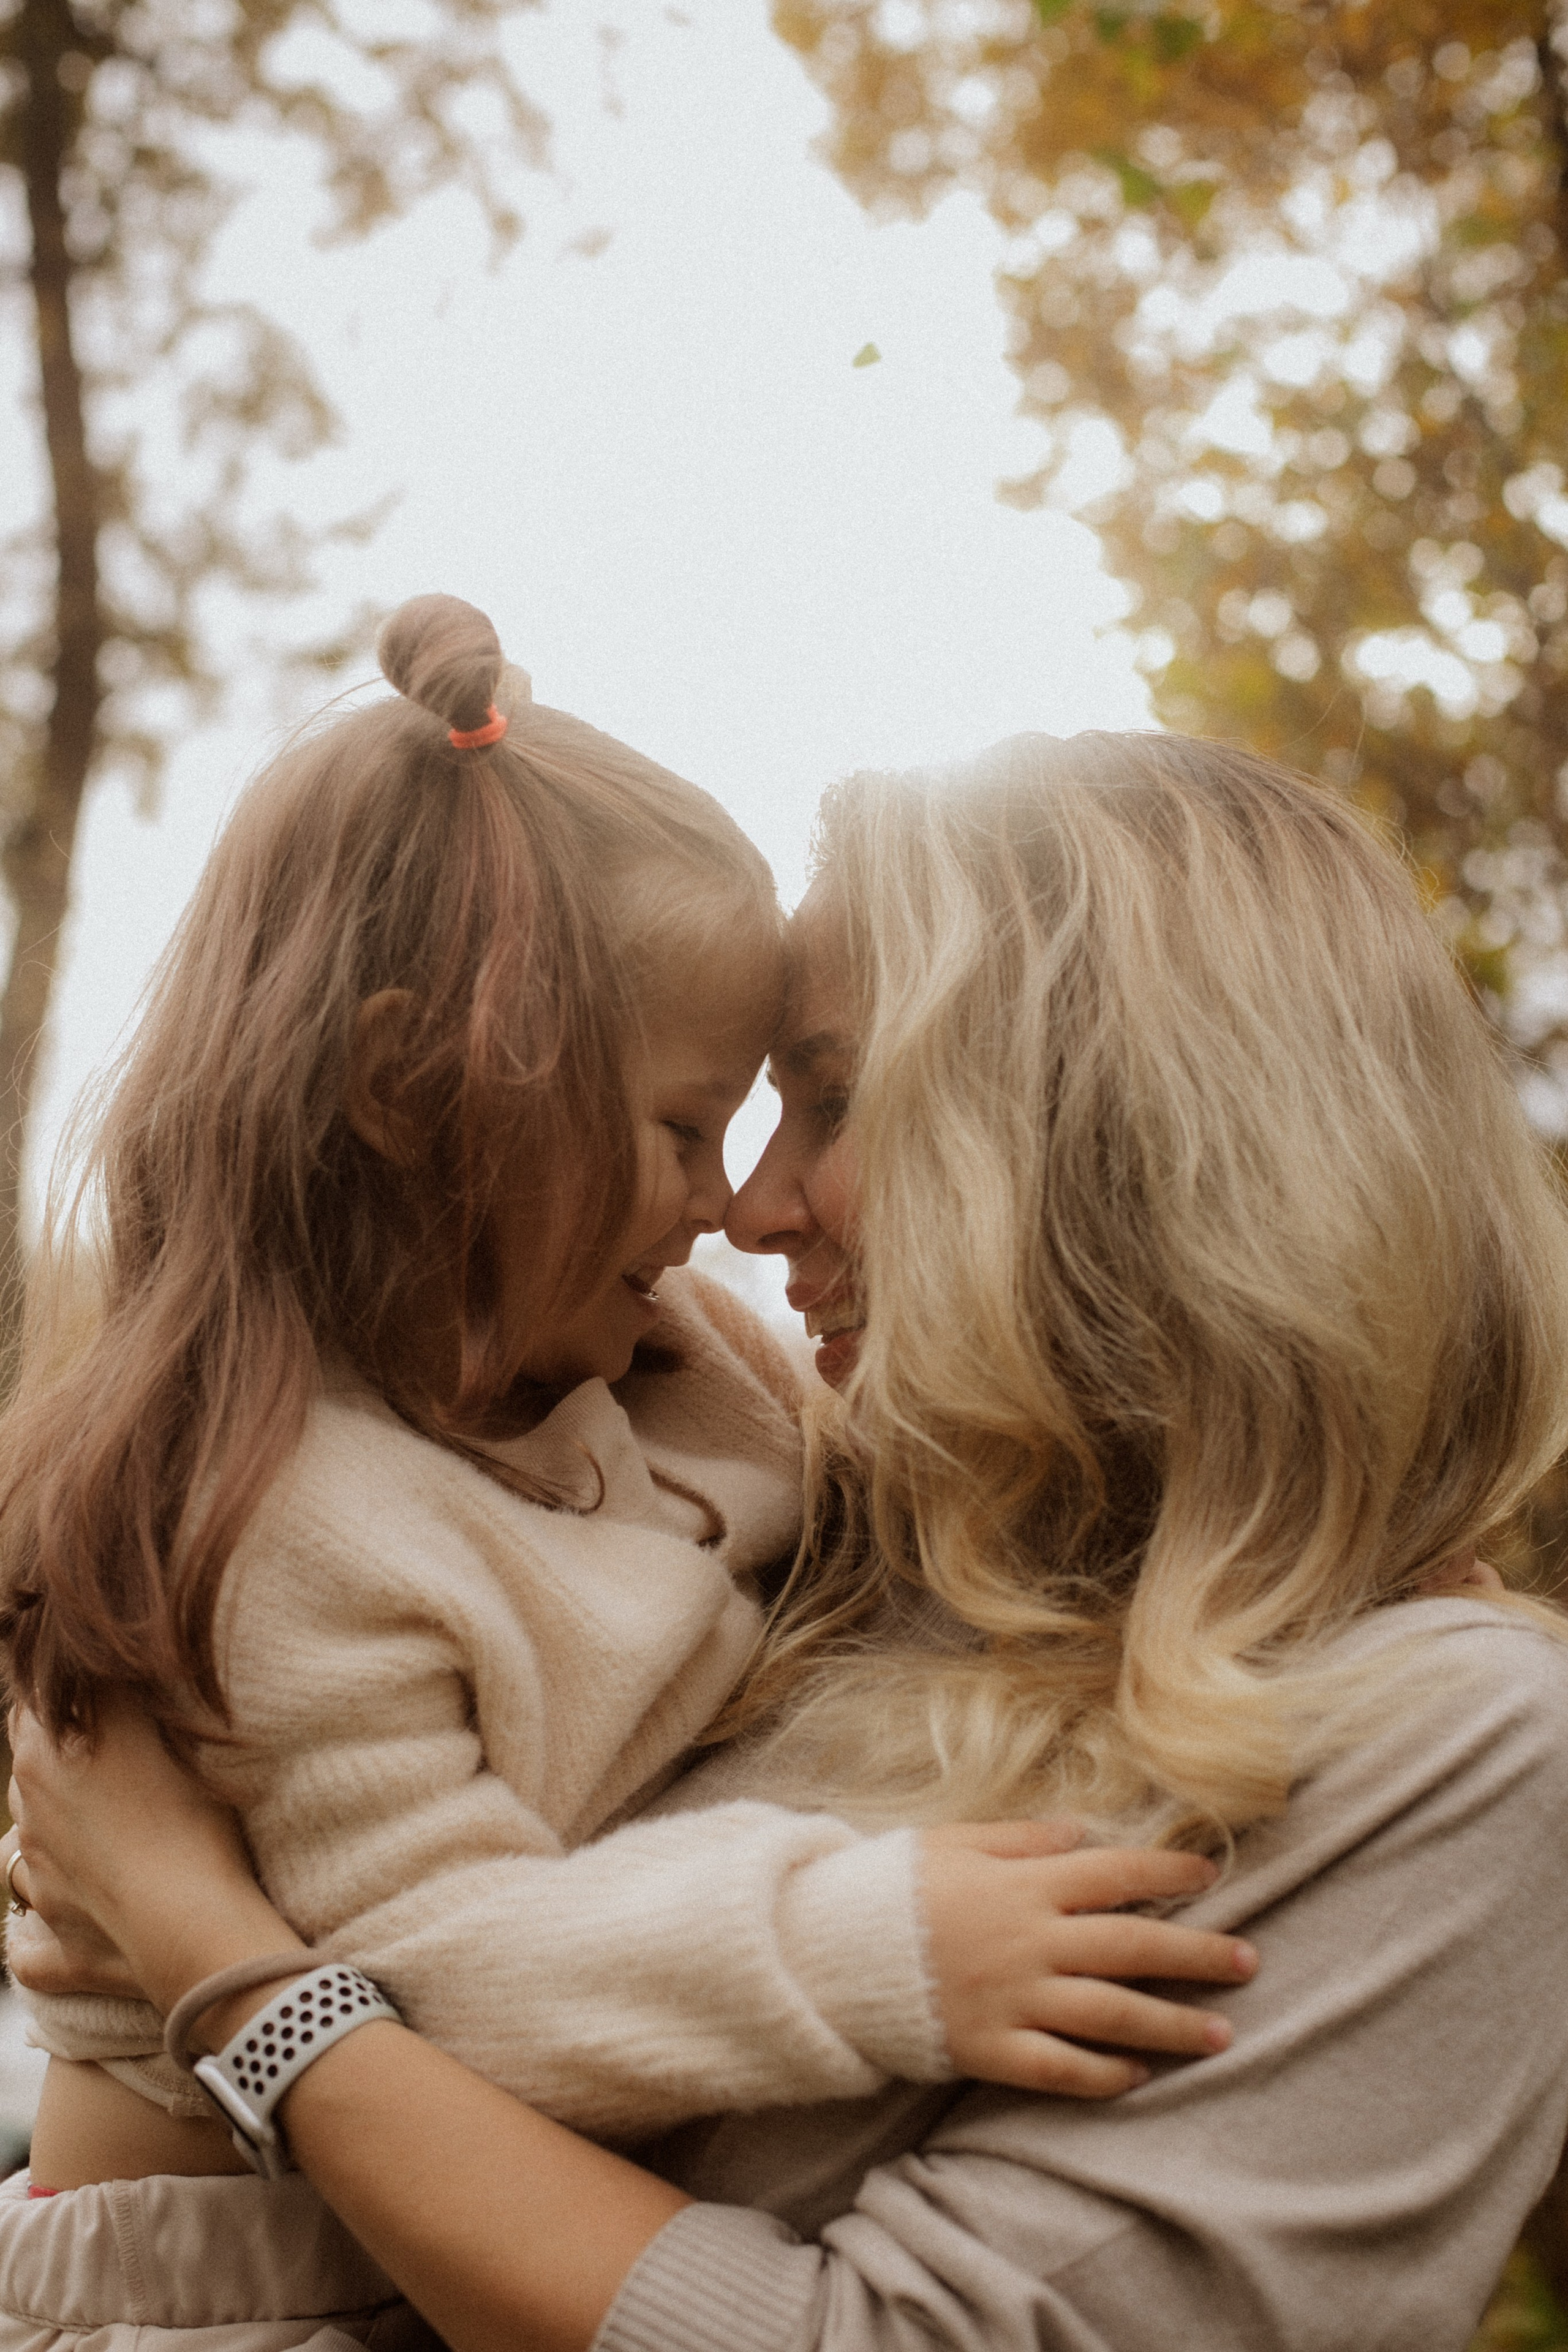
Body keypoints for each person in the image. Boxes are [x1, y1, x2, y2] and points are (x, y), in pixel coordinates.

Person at [13, 725, 1568, 2352]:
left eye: (828, 1099)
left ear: (1113, 1135)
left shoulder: (1451, 1735)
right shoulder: (869, 1548)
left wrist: (218, 1956)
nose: (747, 1211)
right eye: (712, 1125)